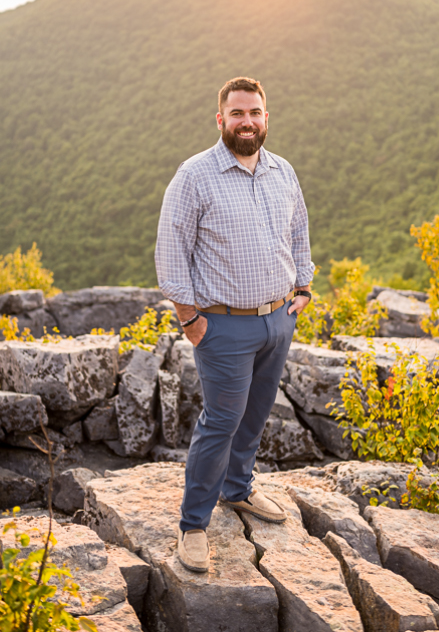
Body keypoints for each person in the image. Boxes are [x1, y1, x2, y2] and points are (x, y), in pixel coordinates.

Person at [154, 77, 314, 574]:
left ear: (267, 118)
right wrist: (190, 320)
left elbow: (299, 231)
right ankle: (193, 526)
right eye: (238, 113)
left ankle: (239, 490)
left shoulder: (282, 171)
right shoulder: (195, 175)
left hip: (278, 319)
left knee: (256, 414)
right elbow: (170, 251)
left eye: (255, 113)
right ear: (220, 119)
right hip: (221, 326)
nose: (247, 121)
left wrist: (303, 287)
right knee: (220, 422)